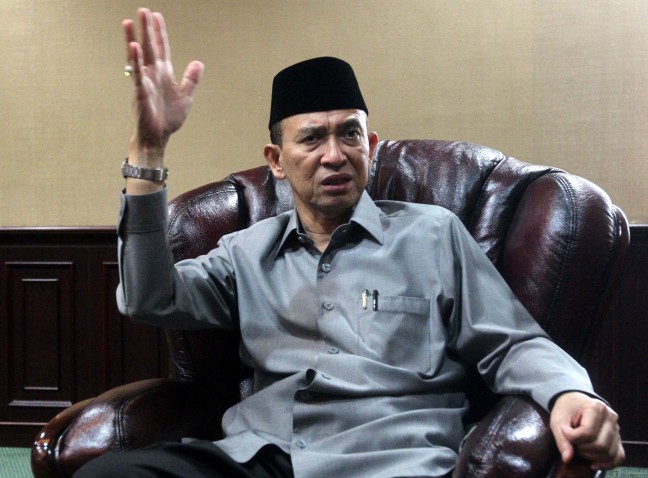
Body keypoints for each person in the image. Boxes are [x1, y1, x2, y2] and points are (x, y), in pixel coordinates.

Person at [76, 7, 624, 478]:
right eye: (312, 139)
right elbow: (148, 298)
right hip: (261, 456)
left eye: (349, 134)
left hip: (392, 460)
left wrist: (570, 392)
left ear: (371, 145)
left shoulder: (433, 234)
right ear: (277, 162)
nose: (334, 154)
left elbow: (513, 342)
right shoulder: (245, 252)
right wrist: (148, 151)